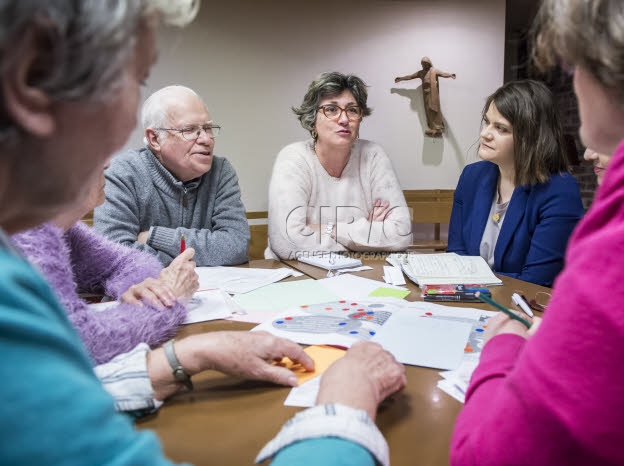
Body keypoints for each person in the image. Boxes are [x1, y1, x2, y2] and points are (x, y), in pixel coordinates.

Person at [0, 3, 405, 465]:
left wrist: (190, 352)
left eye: (207, 128)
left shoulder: (36, 229)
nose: (122, 136)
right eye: (134, 79)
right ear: (30, 87)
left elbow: (228, 245)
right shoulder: (29, 238)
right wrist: (344, 407)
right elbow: (82, 342)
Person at [450, 1, 624, 465]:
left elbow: (489, 456)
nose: (587, 155)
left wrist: (502, 346)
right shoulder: (474, 177)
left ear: (606, 73)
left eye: (575, 65)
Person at [12, 162, 197, 365]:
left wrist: (140, 291)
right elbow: (83, 341)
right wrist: (167, 299)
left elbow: (131, 261)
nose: (107, 163)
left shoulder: (63, 229)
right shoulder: (26, 233)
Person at [447, 79, 584, 287]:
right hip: (470, 303)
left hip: (524, 311)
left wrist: (476, 288)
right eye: (487, 122)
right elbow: (456, 254)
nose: (485, 134)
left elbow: (536, 282)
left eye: (501, 128)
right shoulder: (472, 176)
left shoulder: (560, 191)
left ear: (531, 138)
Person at [94, 85, 250, 267]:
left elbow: (237, 246)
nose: (206, 139)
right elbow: (114, 257)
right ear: (155, 139)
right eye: (190, 130)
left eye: (208, 128)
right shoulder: (122, 173)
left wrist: (155, 236)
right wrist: (189, 260)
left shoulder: (221, 171)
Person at [266, 72, 412, 260]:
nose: (344, 119)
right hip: (297, 274)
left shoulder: (373, 155)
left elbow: (401, 233)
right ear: (312, 118)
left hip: (364, 272)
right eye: (331, 109)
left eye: (352, 110)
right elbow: (287, 242)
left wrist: (327, 229)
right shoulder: (293, 158)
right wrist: (364, 237)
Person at [394, 57, 456, 137]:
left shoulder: (434, 71)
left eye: (425, 64)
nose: (424, 65)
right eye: (423, 64)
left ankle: (438, 128)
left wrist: (450, 75)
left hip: (433, 94)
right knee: (428, 111)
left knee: (434, 110)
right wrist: (401, 78)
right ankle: (433, 128)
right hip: (426, 95)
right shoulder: (421, 73)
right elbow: (410, 76)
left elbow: (443, 74)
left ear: (428, 63)